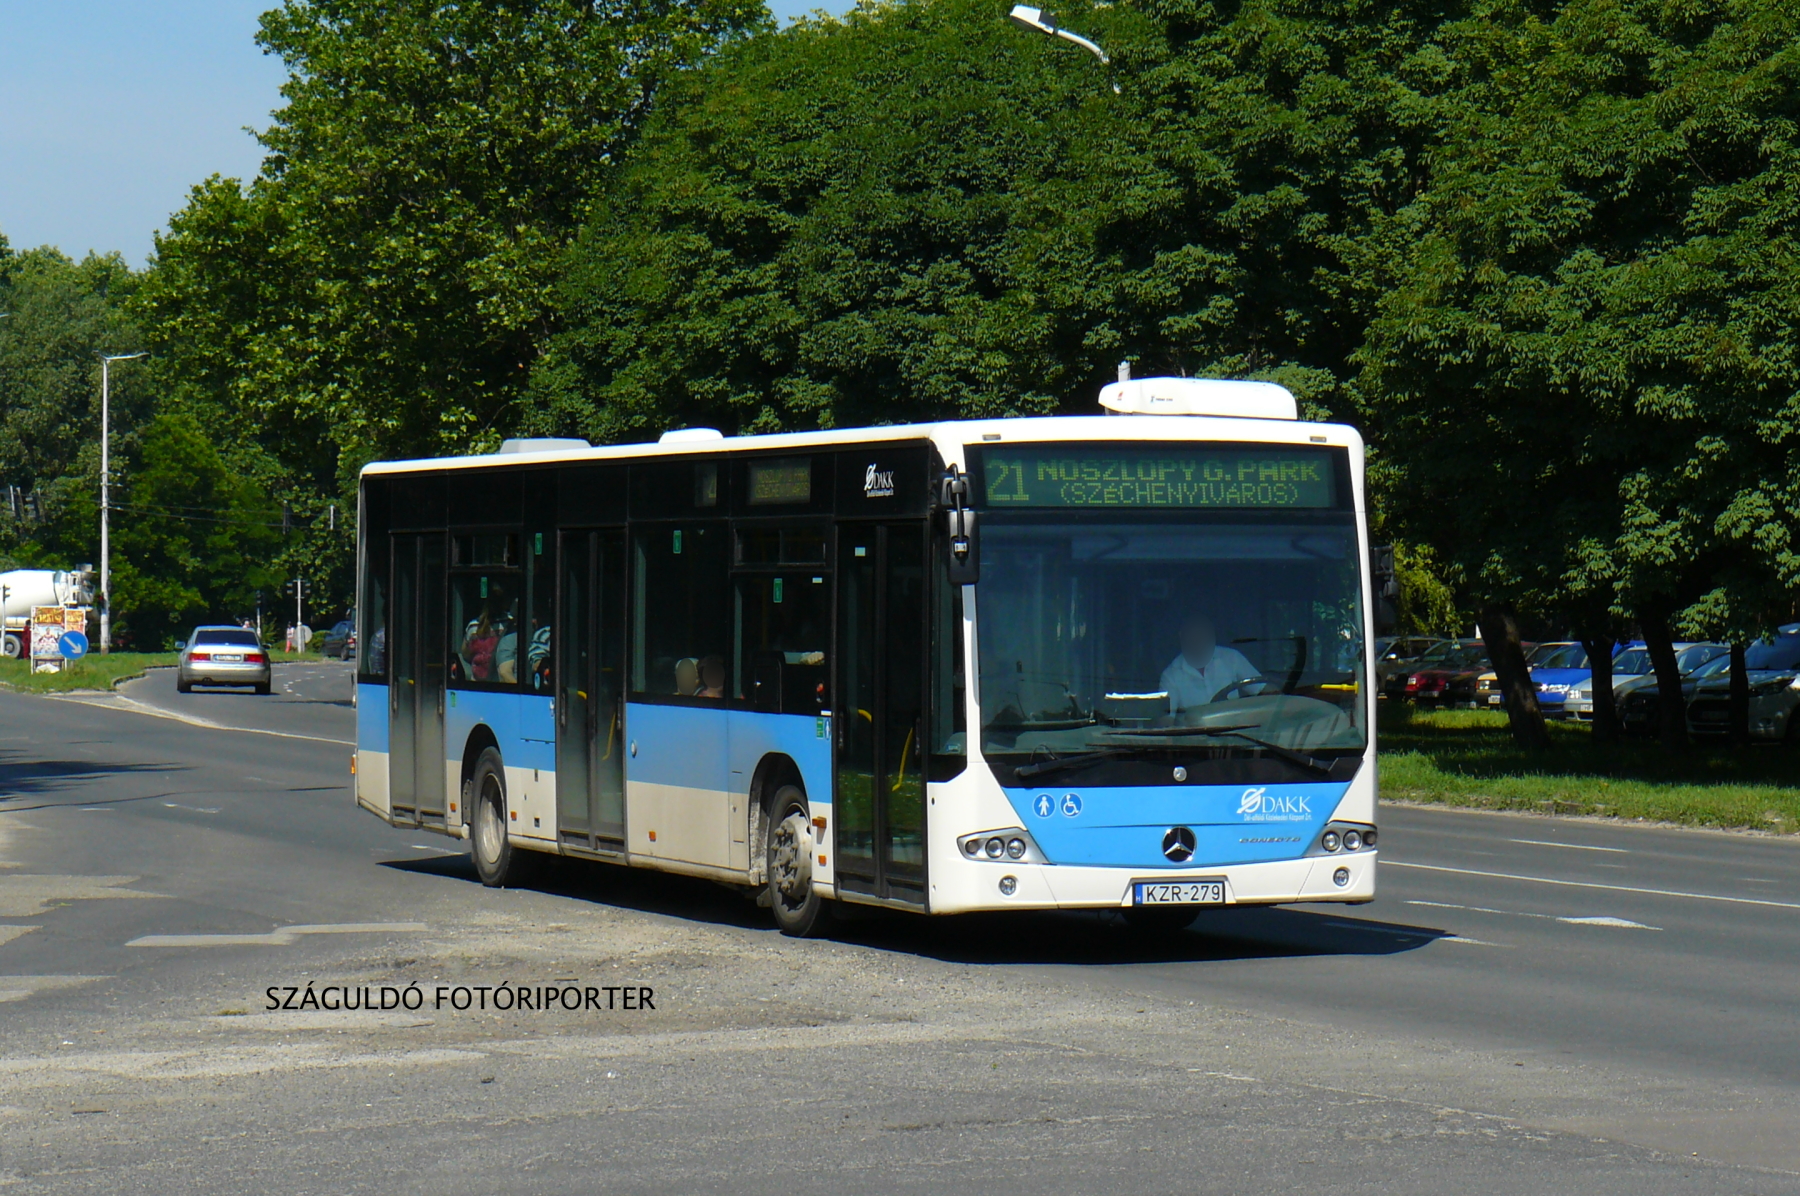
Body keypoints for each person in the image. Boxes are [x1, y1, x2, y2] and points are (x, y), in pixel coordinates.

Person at [1159, 612, 1264, 712]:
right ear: (1182, 637)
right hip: (1195, 730)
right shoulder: (1170, 677)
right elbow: (1167, 721)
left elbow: (1264, 690)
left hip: (1238, 728)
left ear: (1213, 636)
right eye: (1193, 638)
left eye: (1203, 637)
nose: (1198, 645)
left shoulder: (1232, 658)